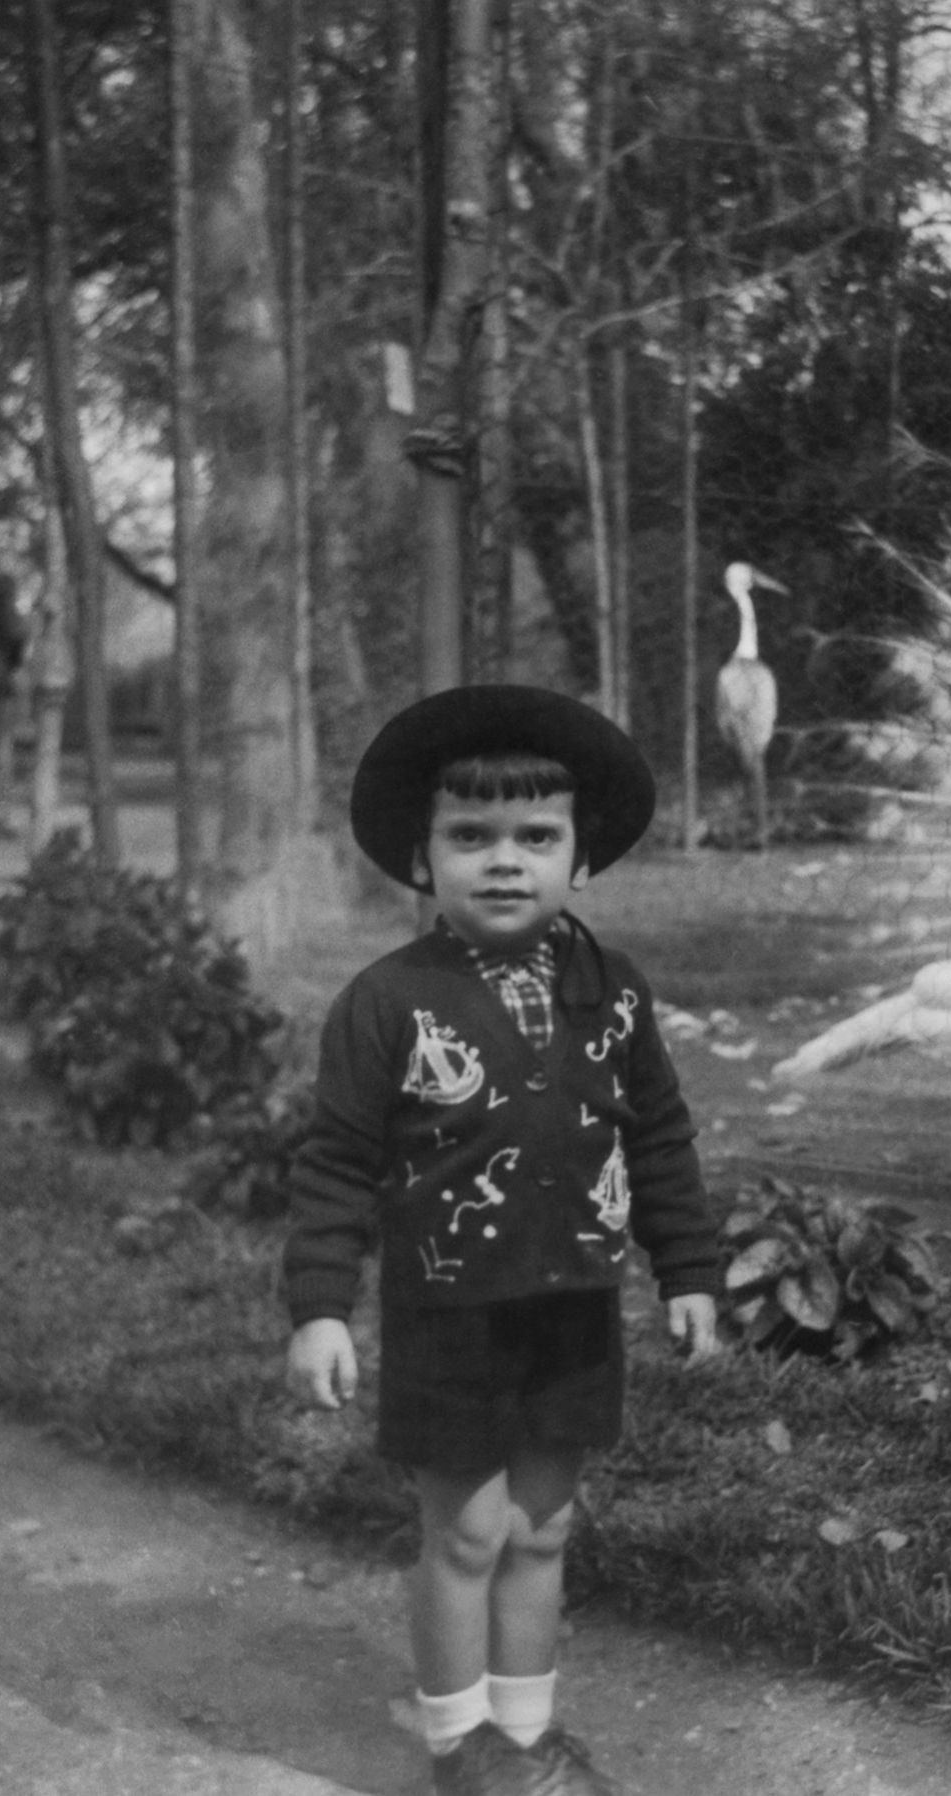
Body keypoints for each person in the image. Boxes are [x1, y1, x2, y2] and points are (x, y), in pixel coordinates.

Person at [283, 686, 722, 1796]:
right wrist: (322, 1305)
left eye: (538, 836)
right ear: (421, 859)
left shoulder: (613, 994)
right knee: (467, 1531)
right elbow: (336, 1159)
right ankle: (456, 1745)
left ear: (581, 857)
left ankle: (527, 1739)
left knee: (544, 1524)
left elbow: (659, 1136)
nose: (506, 860)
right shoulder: (390, 1001)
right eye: (470, 836)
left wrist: (689, 1270)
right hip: (453, 1311)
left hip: (574, 1305)